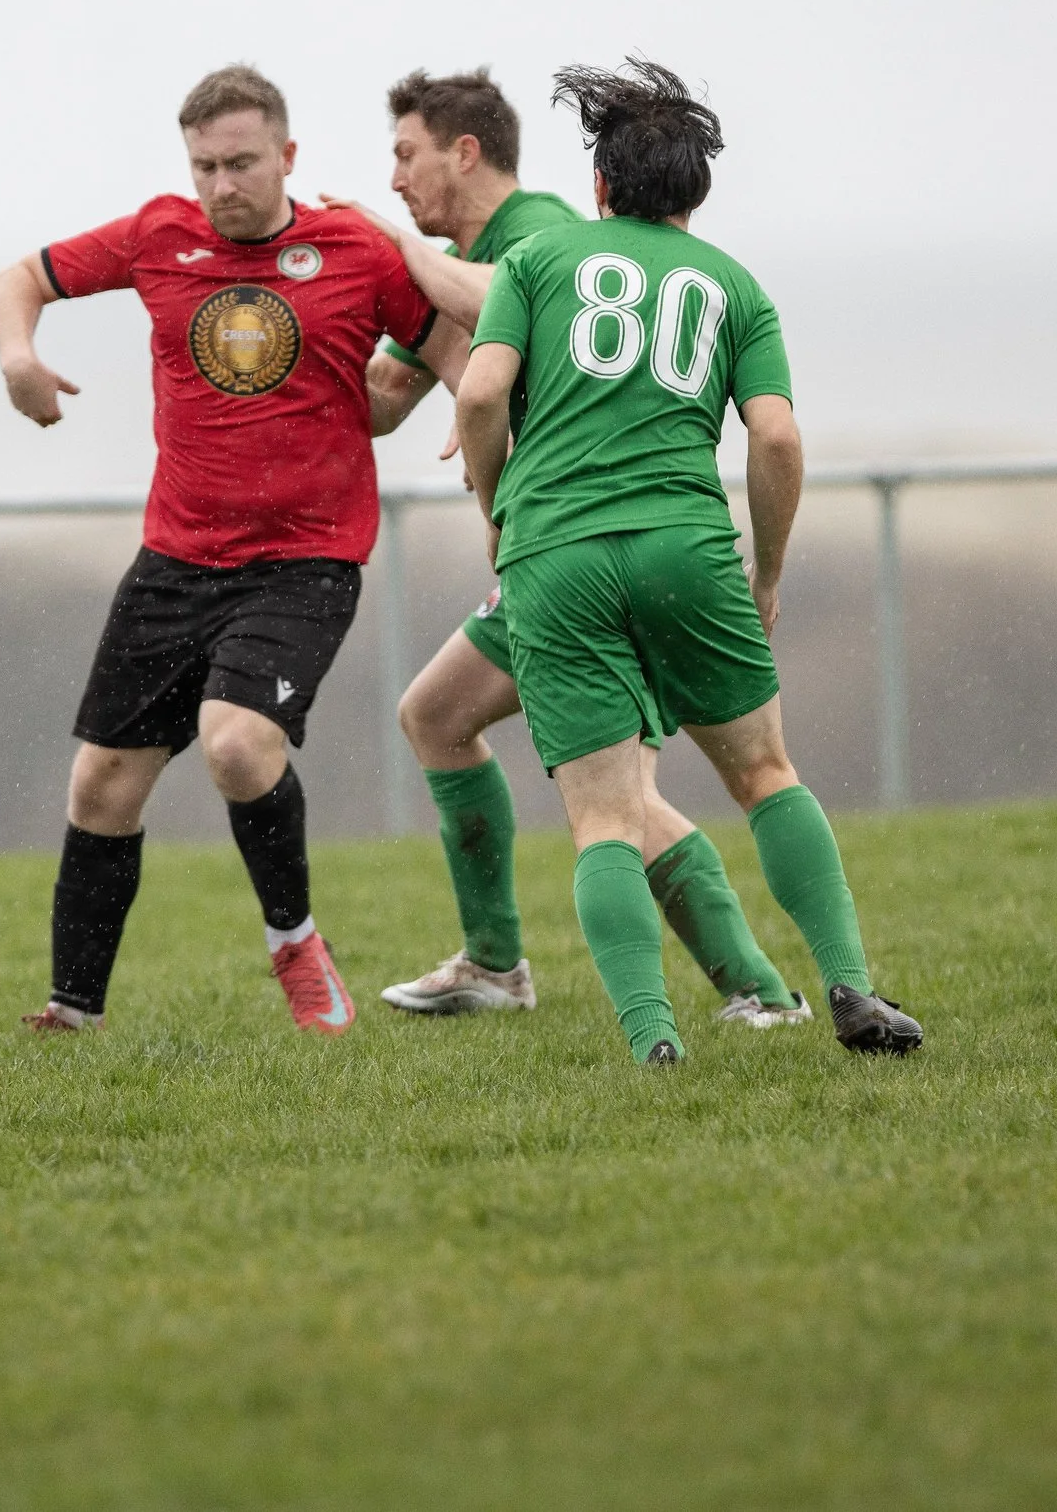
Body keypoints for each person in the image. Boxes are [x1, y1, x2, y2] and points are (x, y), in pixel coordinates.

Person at [453, 58, 925, 1064]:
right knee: (763, 772)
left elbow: (482, 394)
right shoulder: (733, 286)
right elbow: (779, 440)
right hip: (685, 546)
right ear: (695, 188)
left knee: (605, 819)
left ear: (600, 185)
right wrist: (765, 572)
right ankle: (850, 987)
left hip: (556, 552)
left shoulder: (540, 266)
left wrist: (499, 508)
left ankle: (652, 1041)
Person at [325, 69, 809, 1030]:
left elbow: (501, 300)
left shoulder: (546, 233)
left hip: (591, 543)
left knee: (618, 797)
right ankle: (499, 962)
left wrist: (392, 257)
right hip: (559, 552)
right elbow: (384, 395)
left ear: (466, 153)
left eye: (405, 155)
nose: (393, 182)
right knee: (440, 716)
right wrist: (277, 349)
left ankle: (756, 988)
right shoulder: (462, 262)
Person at [0, 64, 448, 1036]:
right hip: (177, 560)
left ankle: (295, 943)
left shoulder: (353, 249)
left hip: (306, 560)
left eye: (241, 163)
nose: (222, 185)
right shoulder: (160, 235)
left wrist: (458, 406)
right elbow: (18, 279)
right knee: (103, 782)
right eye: (204, 166)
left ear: (287, 157)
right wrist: (18, 357)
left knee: (237, 743)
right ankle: (73, 1011)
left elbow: (448, 333)